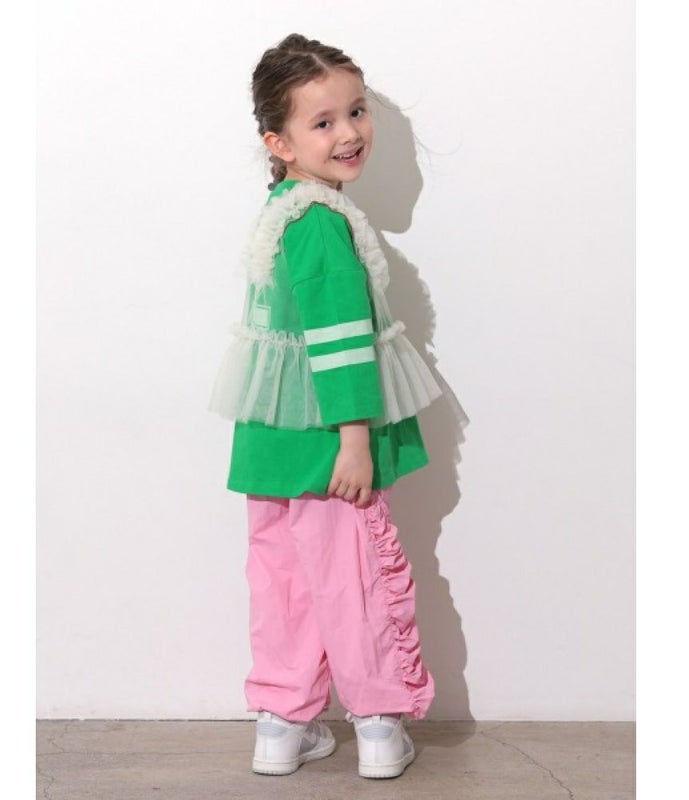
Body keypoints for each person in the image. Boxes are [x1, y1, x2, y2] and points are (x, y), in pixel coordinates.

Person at [209, 33, 442, 779]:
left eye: (357, 111)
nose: (349, 132)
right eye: (323, 122)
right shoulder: (321, 222)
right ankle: (377, 727)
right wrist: (355, 439)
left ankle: (281, 726)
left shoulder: (282, 211)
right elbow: (340, 337)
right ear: (278, 143)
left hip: (273, 443)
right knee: (352, 580)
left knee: (283, 582)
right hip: (329, 443)